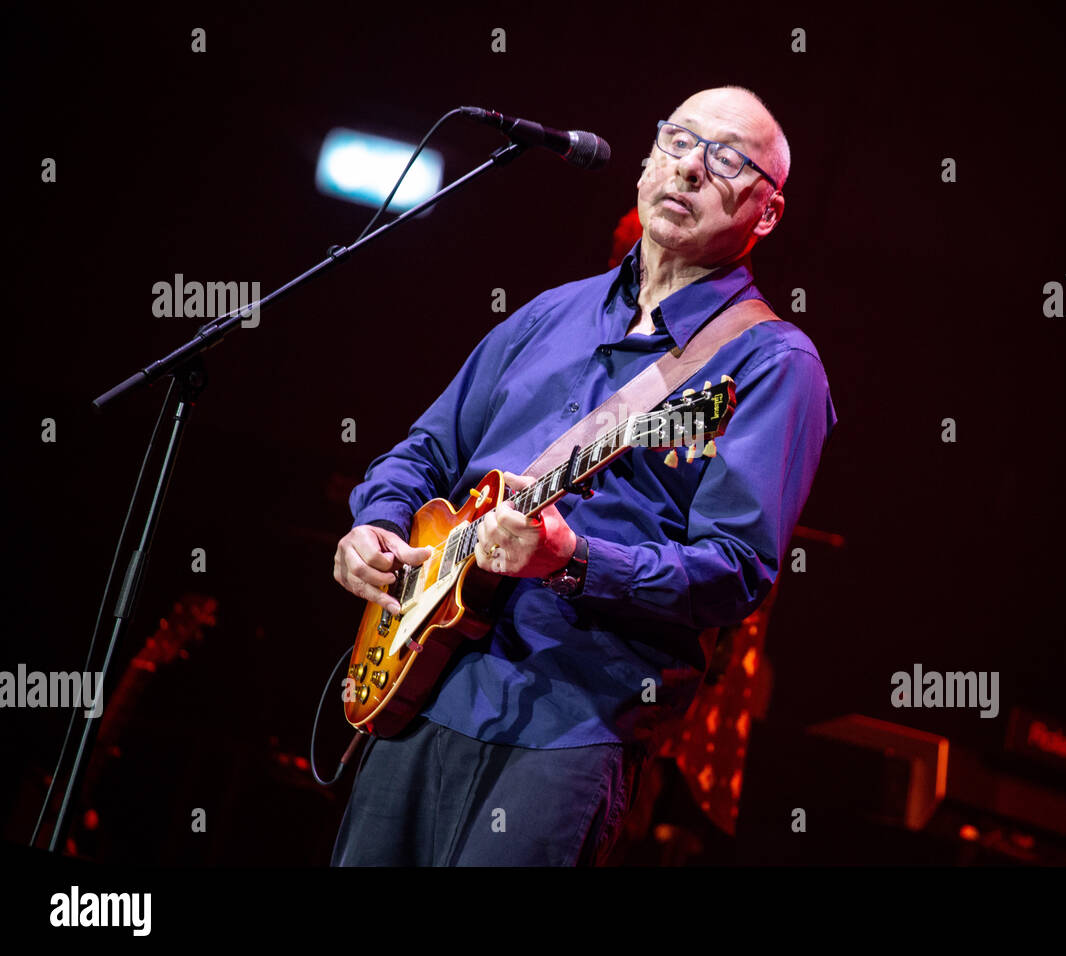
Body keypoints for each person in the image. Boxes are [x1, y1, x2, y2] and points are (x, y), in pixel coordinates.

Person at [329, 86, 837, 866]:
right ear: (645, 161)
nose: (693, 169)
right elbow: (421, 450)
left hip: (570, 725)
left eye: (727, 158)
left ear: (766, 213)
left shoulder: (773, 365)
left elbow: (738, 571)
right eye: (678, 141)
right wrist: (379, 523)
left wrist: (572, 562)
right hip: (422, 688)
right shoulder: (547, 314)